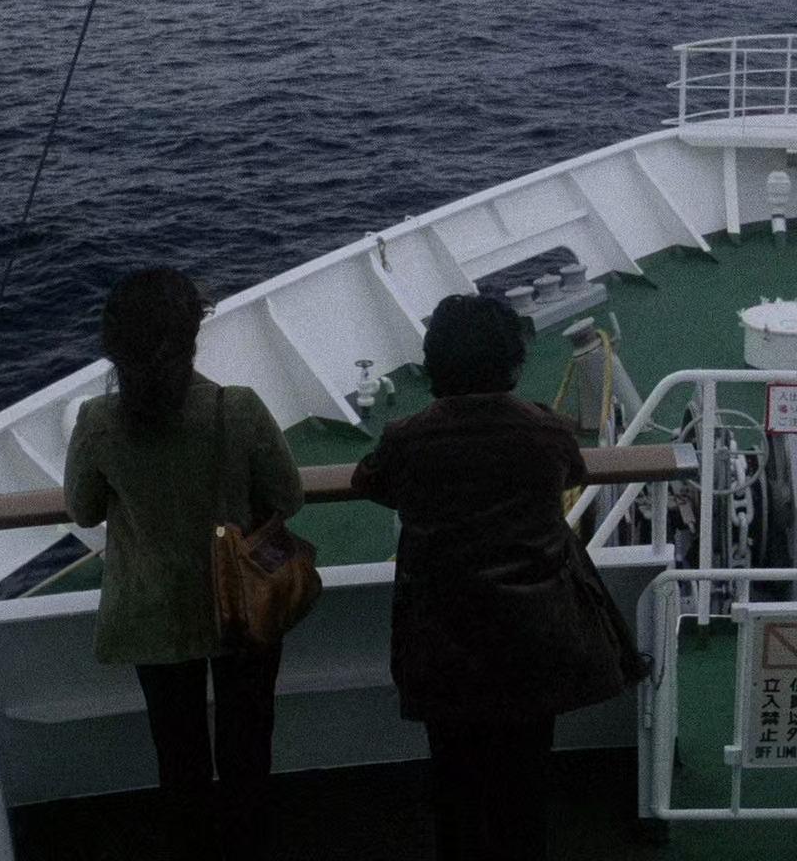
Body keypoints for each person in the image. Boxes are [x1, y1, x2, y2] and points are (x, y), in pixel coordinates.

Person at [352, 294, 645, 861]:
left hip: (442, 637)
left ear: (435, 363)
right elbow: (572, 472)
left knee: (454, 785)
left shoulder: (407, 438)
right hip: (533, 635)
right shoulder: (545, 431)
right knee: (524, 786)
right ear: (512, 363)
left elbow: (372, 483)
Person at [65, 267, 303, 860]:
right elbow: (289, 497)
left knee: (178, 757)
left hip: (152, 611)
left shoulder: (97, 421)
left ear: (114, 347)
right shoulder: (237, 409)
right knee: (248, 749)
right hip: (242, 604)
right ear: (193, 335)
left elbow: (84, 510)